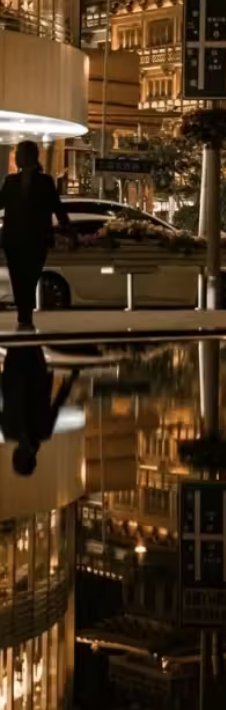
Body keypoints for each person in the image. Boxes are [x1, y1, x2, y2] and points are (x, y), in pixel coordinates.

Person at [1, 141, 72, 332]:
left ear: (26, 157)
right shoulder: (18, 182)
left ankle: (25, 313)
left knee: (25, 276)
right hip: (24, 239)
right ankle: (25, 314)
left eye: (18, 154)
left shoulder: (36, 182)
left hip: (26, 239)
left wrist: (66, 227)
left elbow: (57, 207)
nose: (15, 157)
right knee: (24, 276)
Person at [0, 345, 77, 475]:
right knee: (18, 341)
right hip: (12, 373)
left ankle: (27, 327)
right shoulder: (8, 432)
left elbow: (58, 403)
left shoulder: (44, 433)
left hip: (38, 374)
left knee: (30, 342)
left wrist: (70, 380)